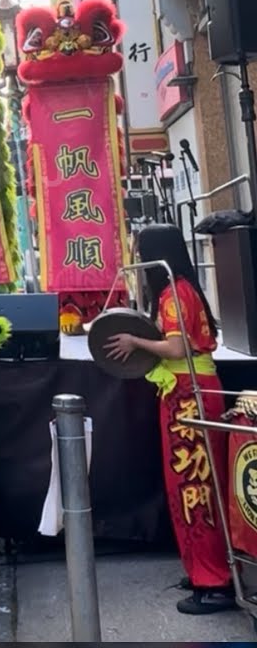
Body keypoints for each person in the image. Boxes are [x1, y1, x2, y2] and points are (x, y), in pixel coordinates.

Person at [105, 224, 235, 615]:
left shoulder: (174, 292)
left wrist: (135, 342)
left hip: (189, 395)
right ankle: (203, 569)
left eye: (140, 250)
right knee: (191, 488)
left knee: (195, 489)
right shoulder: (179, 289)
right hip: (187, 391)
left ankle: (214, 582)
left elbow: (177, 346)